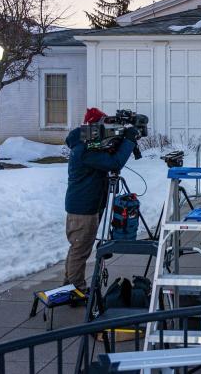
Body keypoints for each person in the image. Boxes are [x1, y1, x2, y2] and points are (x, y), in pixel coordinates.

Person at [63, 108, 139, 291]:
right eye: (104, 126)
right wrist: (128, 141)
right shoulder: (84, 149)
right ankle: (75, 290)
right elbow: (113, 163)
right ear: (93, 126)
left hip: (87, 204)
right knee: (80, 250)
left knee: (78, 248)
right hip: (83, 209)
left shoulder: (86, 143)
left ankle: (70, 286)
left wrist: (117, 142)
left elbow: (107, 155)